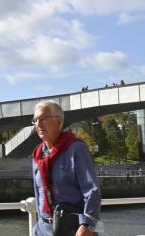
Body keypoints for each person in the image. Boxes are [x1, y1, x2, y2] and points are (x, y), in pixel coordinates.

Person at [31, 100, 101, 236]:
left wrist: (87, 225)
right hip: (43, 229)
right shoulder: (37, 155)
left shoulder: (76, 149)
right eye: (35, 120)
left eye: (43, 119)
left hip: (72, 229)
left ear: (59, 121)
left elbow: (92, 190)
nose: (38, 124)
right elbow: (39, 193)